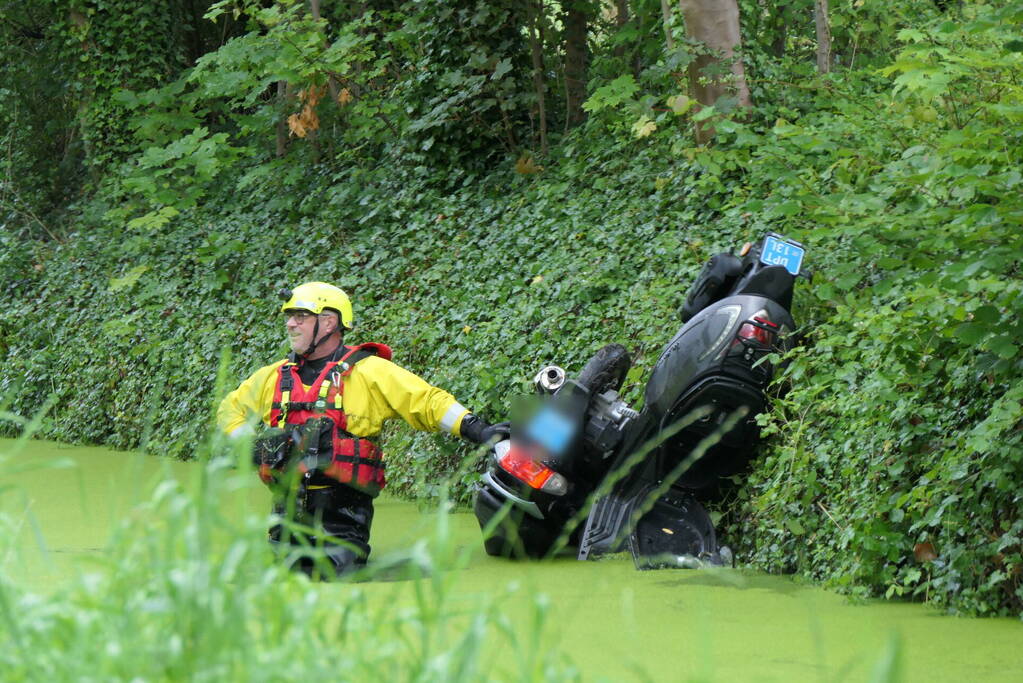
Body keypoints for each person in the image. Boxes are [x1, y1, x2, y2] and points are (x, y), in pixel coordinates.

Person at [217, 282, 502, 577]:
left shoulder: (369, 371)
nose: (290, 323)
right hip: (286, 511)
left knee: (337, 579)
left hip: (344, 513)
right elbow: (229, 410)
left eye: (300, 316)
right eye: (289, 316)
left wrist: (477, 429)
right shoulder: (272, 377)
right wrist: (251, 444)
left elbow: (427, 401)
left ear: (328, 322)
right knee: (285, 583)